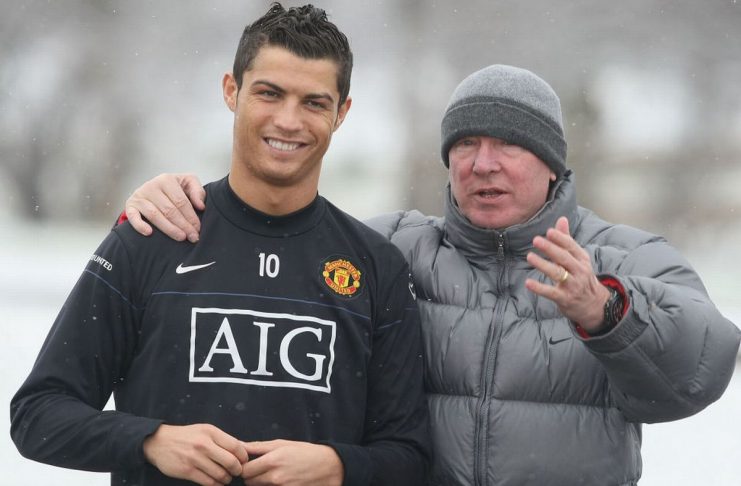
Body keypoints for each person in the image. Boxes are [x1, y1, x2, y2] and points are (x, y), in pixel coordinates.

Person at [120, 64, 739, 485]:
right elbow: (272, 246)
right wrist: (170, 203)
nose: (483, 164)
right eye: (465, 144)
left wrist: (607, 314)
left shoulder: (620, 259)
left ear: (552, 164)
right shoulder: (391, 250)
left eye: (509, 144)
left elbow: (699, 371)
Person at [10, 4, 430, 486]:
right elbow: (37, 415)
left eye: (314, 103)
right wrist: (151, 441)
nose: (288, 120)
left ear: (341, 114)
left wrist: (339, 467)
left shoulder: (375, 266)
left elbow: (410, 456)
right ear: (232, 90)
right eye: (269, 93)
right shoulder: (151, 237)